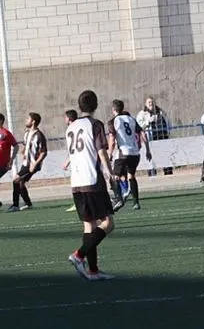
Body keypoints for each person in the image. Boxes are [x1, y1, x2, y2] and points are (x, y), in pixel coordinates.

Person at [67, 90, 115, 281]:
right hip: (92, 180)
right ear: (96, 105)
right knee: (108, 223)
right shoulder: (95, 124)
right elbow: (101, 151)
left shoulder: (71, 127)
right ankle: (79, 255)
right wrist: (110, 173)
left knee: (89, 226)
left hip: (76, 182)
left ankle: (93, 271)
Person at [107, 100, 151, 211]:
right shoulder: (131, 119)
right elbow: (143, 133)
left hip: (123, 153)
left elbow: (112, 140)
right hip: (135, 153)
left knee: (113, 176)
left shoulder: (113, 121)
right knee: (131, 176)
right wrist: (148, 150)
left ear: (113, 109)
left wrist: (110, 154)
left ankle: (119, 199)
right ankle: (136, 202)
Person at [8, 113, 48, 212]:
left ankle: (15, 205)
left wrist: (35, 164)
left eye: (28, 119)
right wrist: (24, 151)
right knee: (20, 183)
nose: (26, 120)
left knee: (16, 180)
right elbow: (26, 145)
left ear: (33, 121)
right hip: (26, 163)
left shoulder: (39, 135)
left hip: (32, 164)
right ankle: (28, 204)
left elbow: (44, 152)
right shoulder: (27, 133)